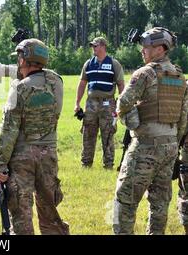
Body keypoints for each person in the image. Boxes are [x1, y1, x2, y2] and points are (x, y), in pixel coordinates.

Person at [113, 27, 188, 235]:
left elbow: (123, 103)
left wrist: (133, 122)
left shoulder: (145, 73)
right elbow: (183, 118)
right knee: (160, 204)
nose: (142, 50)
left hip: (145, 147)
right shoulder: (180, 77)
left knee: (125, 201)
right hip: (170, 147)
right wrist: (173, 142)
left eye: (146, 46)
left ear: (160, 49)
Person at [0, 39, 69, 235]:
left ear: (25, 59)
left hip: (22, 157)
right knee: (49, 213)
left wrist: (0, 165)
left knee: (21, 214)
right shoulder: (56, 82)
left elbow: (9, 130)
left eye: (20, 57)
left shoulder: (20, 88)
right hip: (48, 154)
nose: (18, 61)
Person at [74, 37, 125, 169]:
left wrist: (121, 103)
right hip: (90, 104)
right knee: (88, 133)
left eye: (95, 46)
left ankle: (108, 165)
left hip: (108, 104)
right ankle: (86, 163)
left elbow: (121, 84)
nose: (93, 48)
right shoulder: (88, 64)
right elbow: (82, 83)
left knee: (107, 133)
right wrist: (77, 103)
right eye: (92, 46)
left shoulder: (114, 64)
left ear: (103, 46)